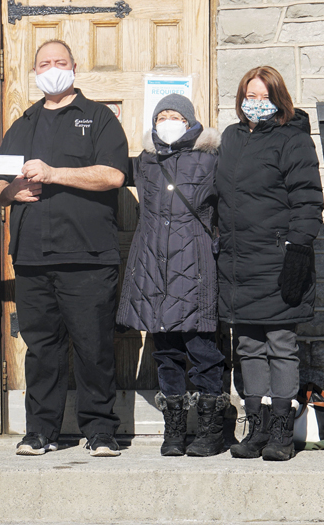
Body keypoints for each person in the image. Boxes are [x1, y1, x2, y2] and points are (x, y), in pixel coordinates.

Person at [0, 40, 129, 457]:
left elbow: (112, 176)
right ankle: (40, 431)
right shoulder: (23, 123)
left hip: (88, 256)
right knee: (42, 350)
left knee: (94, 347)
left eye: (60, 63)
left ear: (74, 68)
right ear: (35, 72)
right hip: (32, 257)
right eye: (44, 64)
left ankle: (101, 430)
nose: (52, 69)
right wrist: (11, 190)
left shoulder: (99, 118)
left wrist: (53, 173)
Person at [217, 66, 324, 461]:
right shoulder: (230, 137)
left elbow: (308, 199)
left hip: (278, 261)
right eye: (250, 95)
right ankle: (258, 426)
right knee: (248, 345)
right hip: (238, 264)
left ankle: (281, 428)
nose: (255, 103)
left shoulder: (293, 140)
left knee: (280, 344)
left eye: (263, 97)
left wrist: (298, 250)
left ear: (278, 99)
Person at [117, 94, 227, 457]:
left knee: (203, 350)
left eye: (174, 115)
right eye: (161, 115)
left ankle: (211, 430)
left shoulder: (211, 159)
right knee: (165, 353)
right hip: (154, 268)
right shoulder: (146, 162)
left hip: (195, 267)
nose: (167, 120)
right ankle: (175, 430)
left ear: (190, 121)